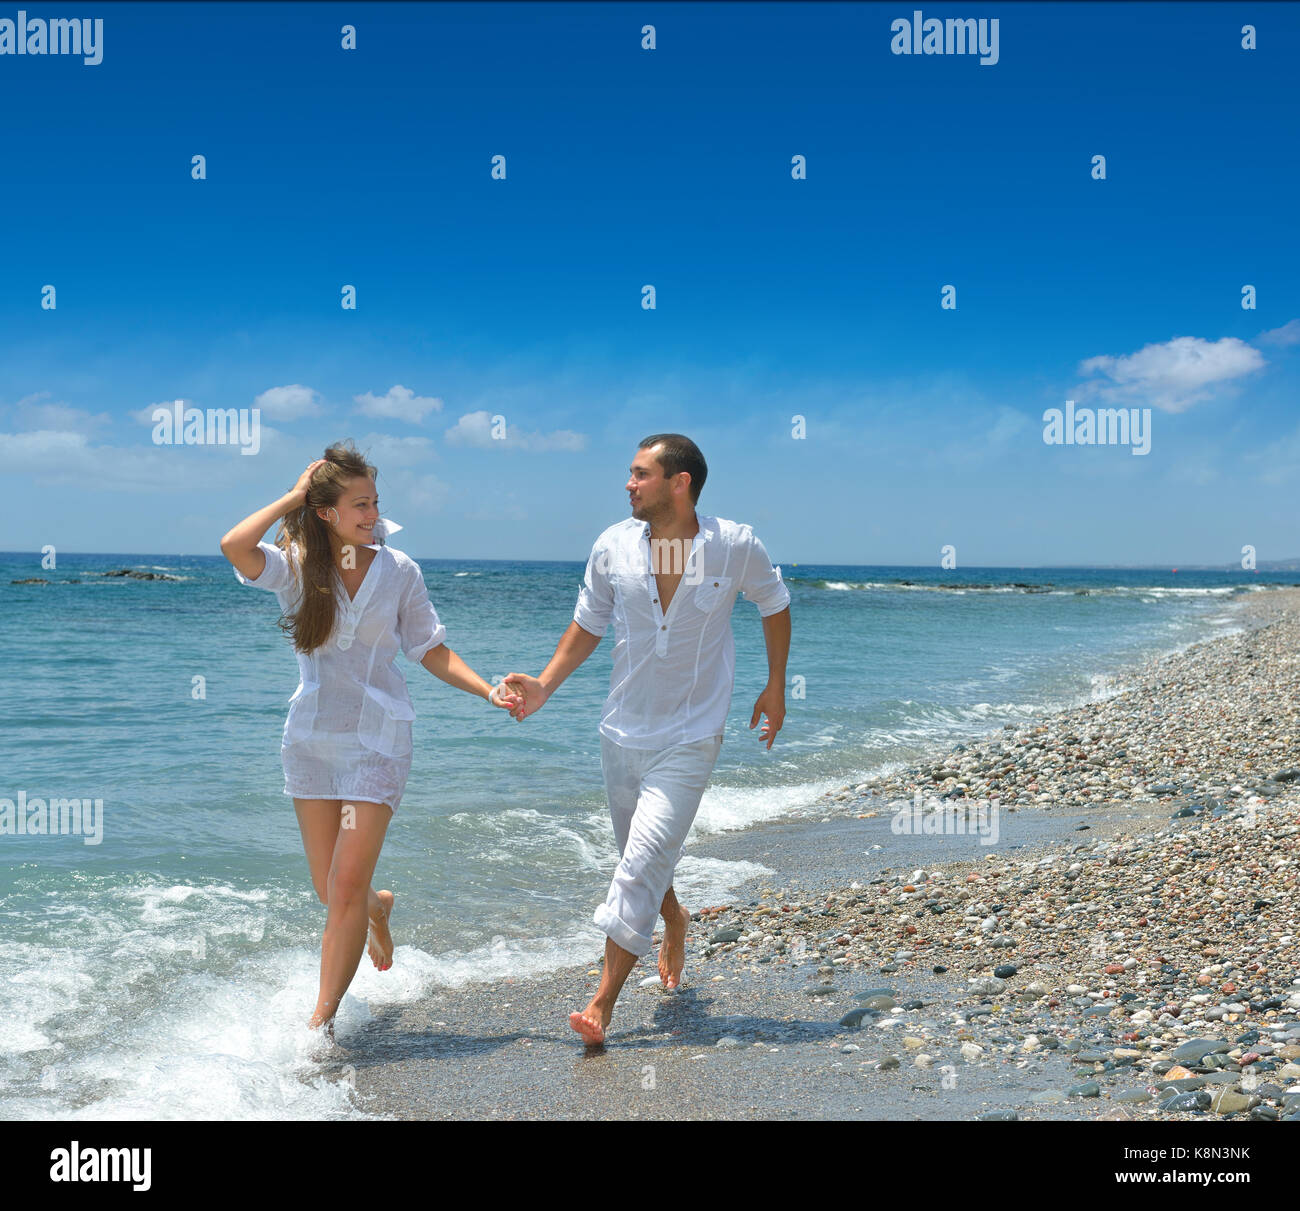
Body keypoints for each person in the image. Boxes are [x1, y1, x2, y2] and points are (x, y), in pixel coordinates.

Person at [221, 441, 519, 1032]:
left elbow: (429, 649)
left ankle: (320, 1024)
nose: (372, 513)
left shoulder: (399, 570)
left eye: (375, 502)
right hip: (311, 741)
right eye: (358, 504)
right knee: (331, 890)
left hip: (379, 743)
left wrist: (488, 690)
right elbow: (234, 545)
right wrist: (293, 498)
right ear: (326, 510)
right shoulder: (297, 566)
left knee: (346, 884)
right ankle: (377, 911)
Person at [504, 434, 792, 1045]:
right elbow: (587, 624)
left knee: (640, 863)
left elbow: (775, 602)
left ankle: (602, 1004)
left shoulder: (736, 545)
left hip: (692, 733)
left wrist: (775, 686)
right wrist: (545, 685)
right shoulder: (612, 546)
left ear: (679, 482)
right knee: (641, 858)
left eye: (640, 474)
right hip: (622, 731)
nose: (628, 484)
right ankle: (675, 918)